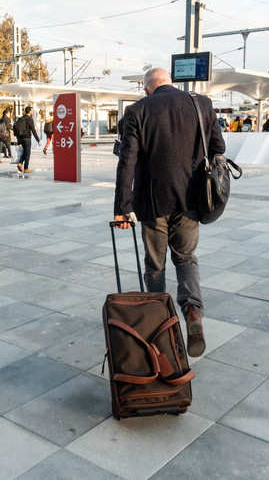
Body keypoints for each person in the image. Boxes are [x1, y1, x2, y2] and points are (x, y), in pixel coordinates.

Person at [114, 68, 225, 357]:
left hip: (152, 203)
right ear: (169, 83)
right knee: (186, 257)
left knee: (155, 265)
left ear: (147, 88)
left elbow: (127, 162)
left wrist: (122, 209)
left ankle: (159, 323)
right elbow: (218, 147)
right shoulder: (201, 104)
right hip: (190, 201)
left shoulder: (137, 111)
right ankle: (192, 313)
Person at [14, 105, 41, 173]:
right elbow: (33, 130)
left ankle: (20, 164)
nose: (32, 112)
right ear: (29, 111)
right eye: (32, 110)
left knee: (25, 152)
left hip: (21, 138)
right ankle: (26, 168)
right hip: (27, 138)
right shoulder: (29, 119)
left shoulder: (21, 118)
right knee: (28, 153)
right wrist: (38, 140)